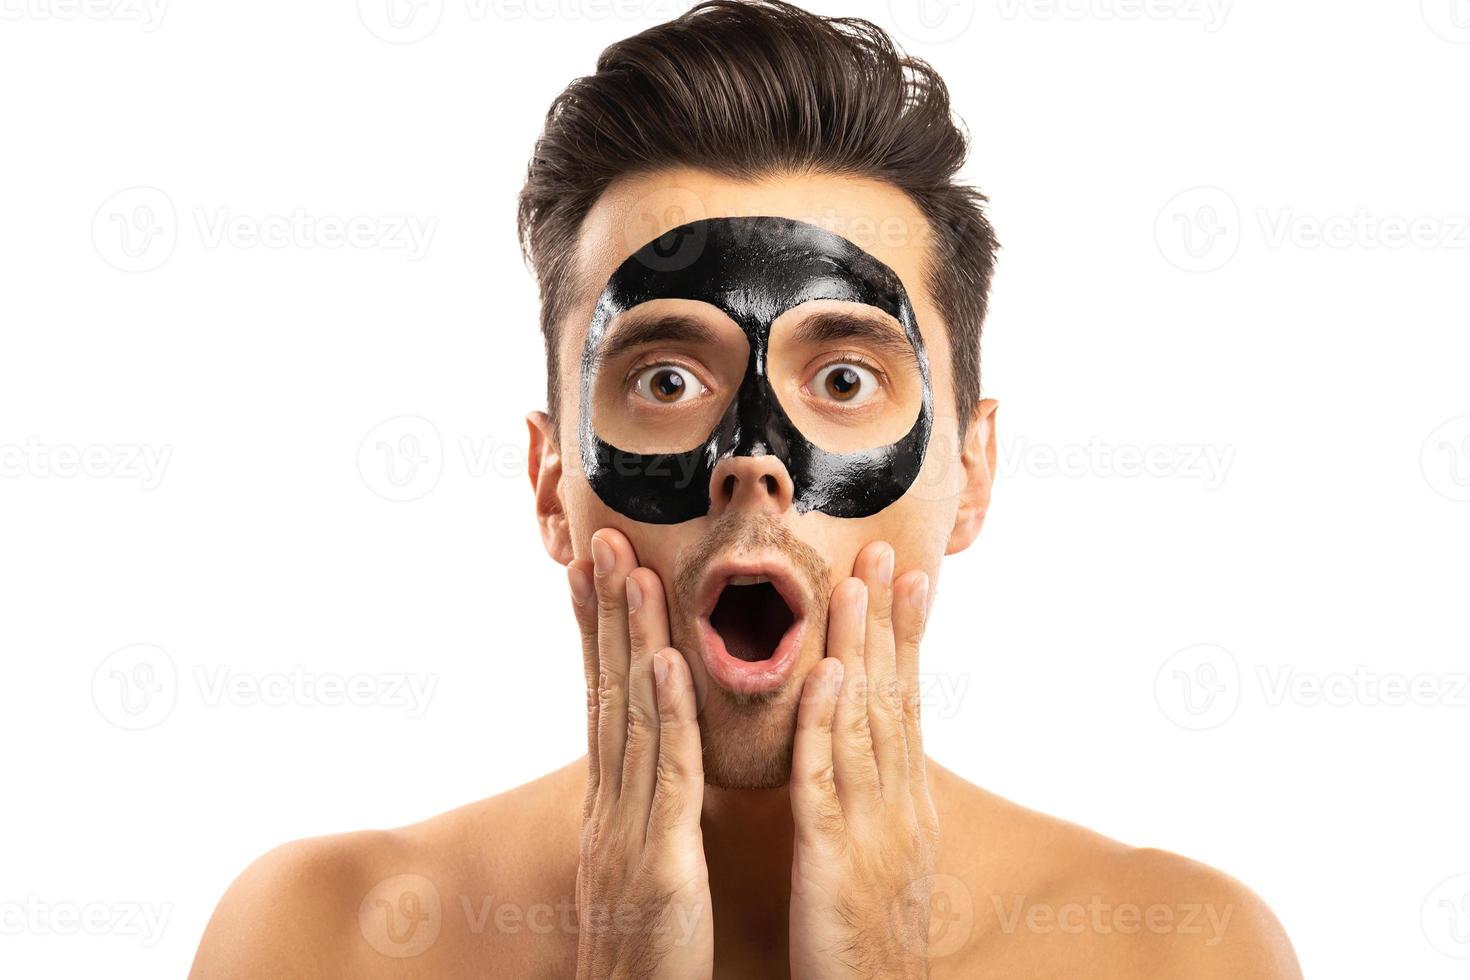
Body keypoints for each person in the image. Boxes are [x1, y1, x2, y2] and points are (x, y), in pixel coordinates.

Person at [190, 2, 1301, 976]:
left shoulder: (1179, 953)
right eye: (666, 376)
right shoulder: (320, 941)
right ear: (549, 478)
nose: (752, 459)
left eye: (846, 375)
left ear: (972, 473)